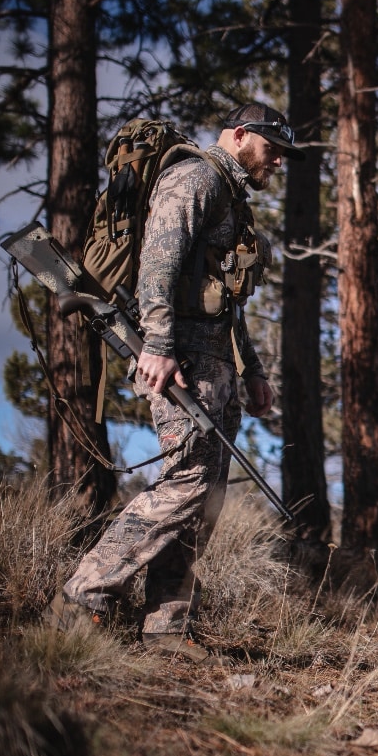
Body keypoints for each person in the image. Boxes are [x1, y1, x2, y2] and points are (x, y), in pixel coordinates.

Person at [46, 102, 305, 662]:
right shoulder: (195, 178)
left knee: (205, 496)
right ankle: (80, 596)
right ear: (239, 136)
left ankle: (166, 626)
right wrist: (159, 347)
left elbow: (227, 304)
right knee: (186, 481)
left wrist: (253, 369)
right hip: (178, 356)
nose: (279, 163)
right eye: (273, 149)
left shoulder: (232, 198)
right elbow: (157, 268)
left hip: (216, 362)